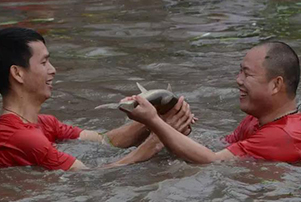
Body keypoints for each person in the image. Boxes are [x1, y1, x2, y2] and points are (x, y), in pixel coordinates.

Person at [0, 27, 195, 171]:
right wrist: (156, 141)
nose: (53, 70)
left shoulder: (46, 124)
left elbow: (104, 141)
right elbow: (91, 176)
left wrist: (154, 120)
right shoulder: (22, 137)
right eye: (44, 62)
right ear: (17, 74)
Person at [124, 41, 301, 164]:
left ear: (276, 84)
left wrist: (154, 121)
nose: (238, 80)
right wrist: (173, 125)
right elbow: (219, 147)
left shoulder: (283, 135)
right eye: (240, 72)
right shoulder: (256, 119)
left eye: (247, 74)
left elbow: (212, 161)